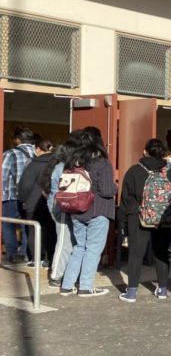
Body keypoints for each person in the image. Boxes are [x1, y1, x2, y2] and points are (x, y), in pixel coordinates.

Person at [118, 138, 171, 302]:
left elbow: (126, 199)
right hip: (163, 218)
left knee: (136, 254)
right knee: (161, 253)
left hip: (138, 217)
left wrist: (123, 220)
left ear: (145, 152)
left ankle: (131, 292)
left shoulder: (134, 171)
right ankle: (163, 289)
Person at [60, 127, 117, 297]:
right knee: (93, 249)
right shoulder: (102, 162)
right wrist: (115, 186)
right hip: (97, 211)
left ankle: (67, 285)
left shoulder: (73, 162)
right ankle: (85, 286)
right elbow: (107, 191)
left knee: (79, 247)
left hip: (77, 210)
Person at [17, 138, 55, 267]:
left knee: (34, 232)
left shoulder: (34, 163)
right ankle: (50, 258)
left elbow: (25, 186)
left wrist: (24, 200)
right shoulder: (56, 162)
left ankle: (36, 259)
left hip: (34, 203)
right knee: (50, 231)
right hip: (52, 203)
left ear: (38, 149)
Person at [2, 126, 36, 263]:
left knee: (8, 225)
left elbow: (2, 176)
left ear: (17, 139)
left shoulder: (10, 154)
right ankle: (24, 254)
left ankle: (11, 254)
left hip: (11, 197)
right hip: (31, 198)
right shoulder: (37, 153)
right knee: (26, 225)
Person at [47, 137, 77, 287]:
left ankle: (62, 272)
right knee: (64, 241)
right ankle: (56, 275)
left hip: (57, 205)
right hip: (62, 207)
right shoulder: (64, 168)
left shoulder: (58, 166)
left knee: (66, 241)